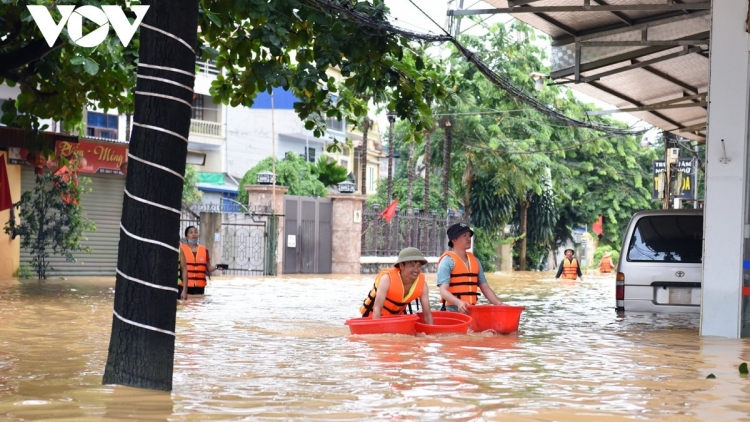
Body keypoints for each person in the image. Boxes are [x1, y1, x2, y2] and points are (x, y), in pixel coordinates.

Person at [437, 222, 503, 314]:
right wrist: (459, 302)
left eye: (469, 235)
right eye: (464, 236)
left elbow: (485, 287)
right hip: (452, 310)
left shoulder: (475, 261)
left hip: (471, 309)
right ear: (454, 239)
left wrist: (500, 305)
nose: (469, 239)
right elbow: (443, 291)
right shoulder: (447, 261)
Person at [360, 247, 433, 324]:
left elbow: (427, 314)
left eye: (419, 266)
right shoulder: (386, 279)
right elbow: (377, 308)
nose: (416, 269)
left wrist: (432, 333)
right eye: (412, 265)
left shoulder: (423, 285)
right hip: (374, 319)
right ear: (401, 266)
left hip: (397, 320)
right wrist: (378, 331)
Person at [179, 226, 221, 300]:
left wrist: (217, 267)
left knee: (198, 307)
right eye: (191, 232)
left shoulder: (204, 250)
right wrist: (184, 290)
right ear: (186, 236)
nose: (194, 234)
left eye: (196, 232)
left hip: (199, 287)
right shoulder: (181, 249)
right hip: (184, 286)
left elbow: (209, 268)